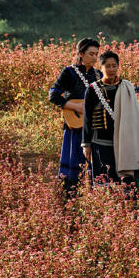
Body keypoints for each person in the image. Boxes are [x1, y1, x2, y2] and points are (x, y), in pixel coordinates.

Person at [82, 51, 139, 185]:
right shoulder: (93, 90)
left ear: (118, 66)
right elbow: (87, 118)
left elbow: (133, 117)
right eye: (107, 66)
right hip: (100, 141)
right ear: (101, 67)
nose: (111, 69)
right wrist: (86, 144)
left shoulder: (126, 87)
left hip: (124, 142)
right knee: (104, 178)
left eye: (114, 66)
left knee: (125, 181)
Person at [48, 37, 101, 195]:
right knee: (73, 170)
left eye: (96, 54)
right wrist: (76, 106)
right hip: (75, 128)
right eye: (91, 53)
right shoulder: (69, 72)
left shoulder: (99, 75)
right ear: (81, 53)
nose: (94, 57)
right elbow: (53, 94)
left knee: (94, 170)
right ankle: (69, 201)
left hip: (94, 128)